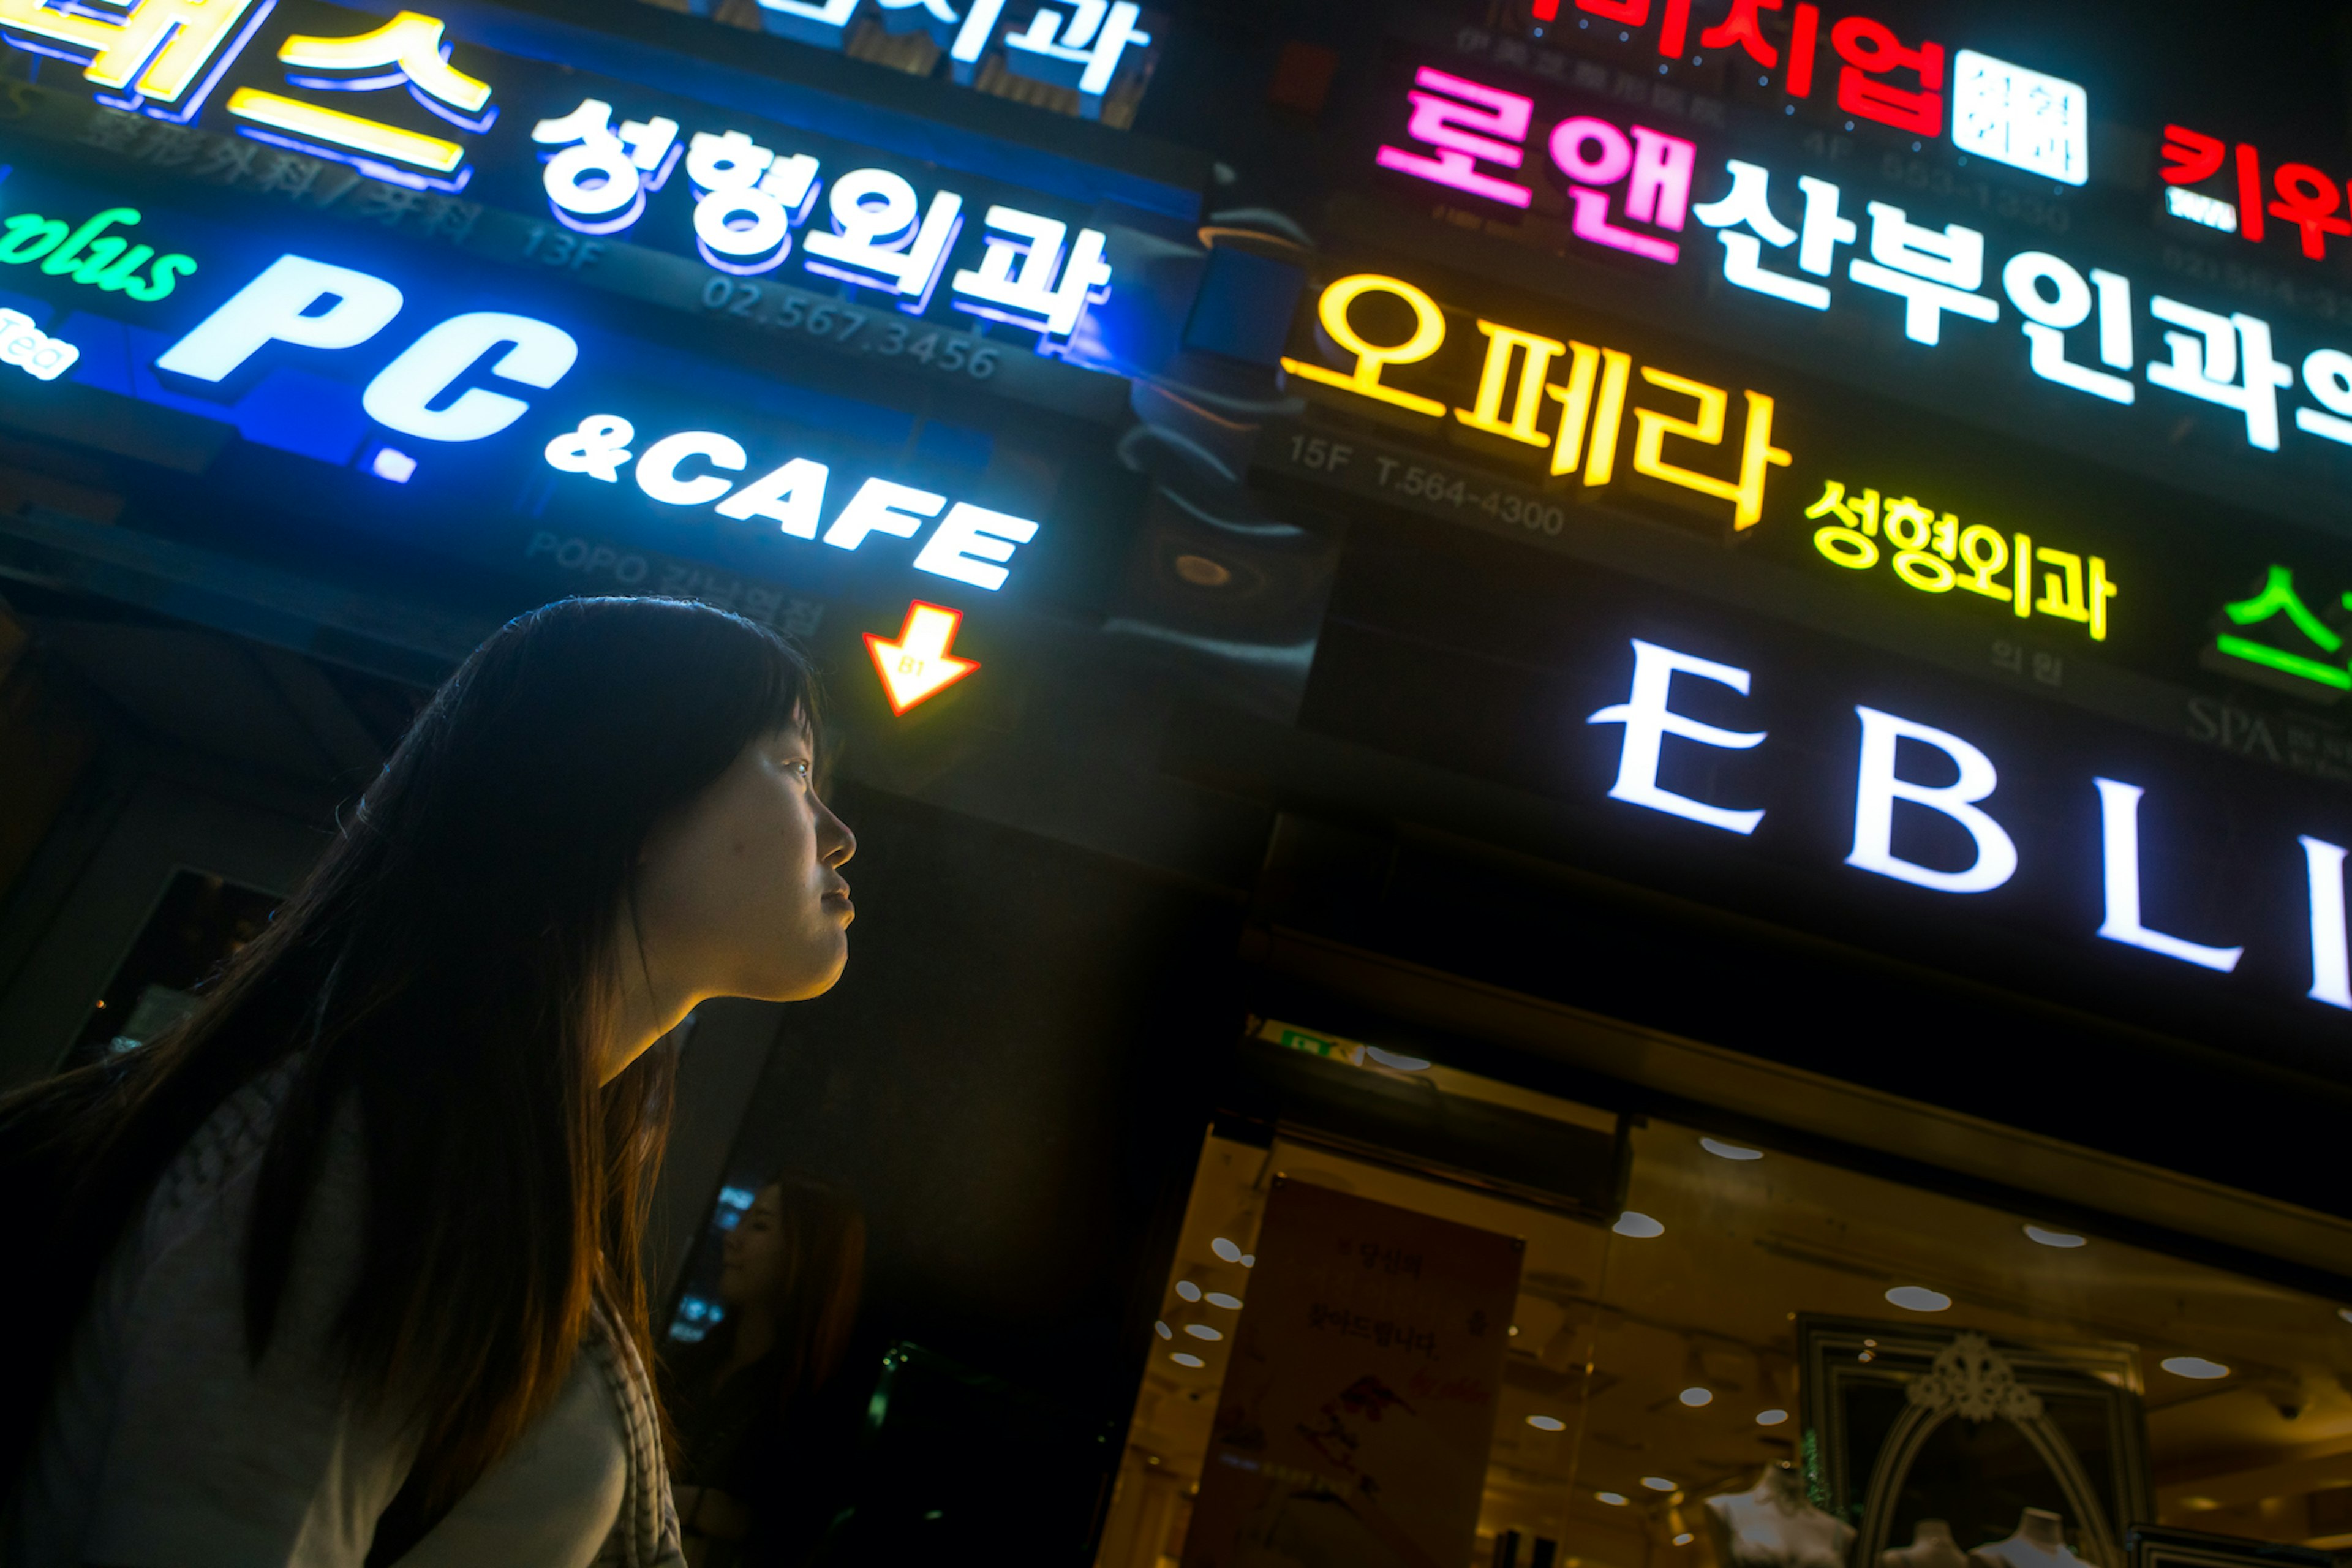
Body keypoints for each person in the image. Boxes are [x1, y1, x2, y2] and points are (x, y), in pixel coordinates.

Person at [0, 597, 858, 1566]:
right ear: (633, 797)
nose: (838, 835)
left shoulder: (467, 1162)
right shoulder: (374, 1165)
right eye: (795, 769)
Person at [662, 1175, 865, 1567]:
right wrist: (705, 1508)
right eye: (740, 1221)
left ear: (805, 1254)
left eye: (758, 1225)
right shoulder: (685, 1365)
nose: (732, 1238)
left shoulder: (817, 1414)